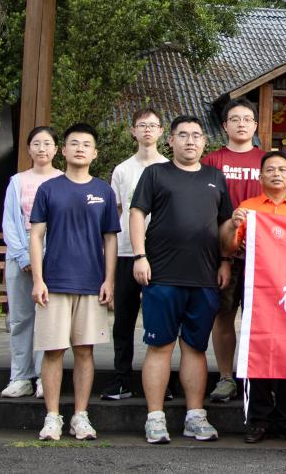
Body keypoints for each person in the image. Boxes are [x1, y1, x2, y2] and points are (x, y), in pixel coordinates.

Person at [130, 115, 233, 444]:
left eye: (196, 136)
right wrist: (139, 256)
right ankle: (155, 417)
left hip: (204, 277)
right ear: (170, 140)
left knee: (195, 348)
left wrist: (226, 260)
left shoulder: (215, 177)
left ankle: (195, 415)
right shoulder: (155, 174)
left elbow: (224, 224)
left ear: (205, 142)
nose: (190, 141)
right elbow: (137, 213)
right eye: (183, 135)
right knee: (160, 345)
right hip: (162, 275)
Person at [28, 123, 119, 442]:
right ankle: (52, 416)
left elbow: (110, 239)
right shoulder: (48, 189)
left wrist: (109, 279)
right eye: (74, 143)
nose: (80, 148)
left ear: (95, 153)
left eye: (86, 144)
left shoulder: (104, 191)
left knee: (84, 351)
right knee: (53, 351)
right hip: (53, 283)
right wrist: (38, 279)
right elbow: (36, 236)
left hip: (91, 283)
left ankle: (81, 415)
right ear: (63, 151)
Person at [221, 150, 286, 444]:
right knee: (257, 349)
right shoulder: (247, 208)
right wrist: (233, 225)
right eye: (270, 169)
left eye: (282, 169)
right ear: (260, 177)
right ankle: (258, 419)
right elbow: (229, 247)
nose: (276, 174)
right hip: (256, 287)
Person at [101, 108, 168, 401]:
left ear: (162, 131)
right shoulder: (122, 170)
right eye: (142, 125)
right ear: (133, 131)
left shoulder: (169, 167)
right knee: (123, 320)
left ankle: (163, 382)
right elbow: (116, 212)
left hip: (161, 253)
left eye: (153, 125)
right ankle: (122, 379)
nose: (147, 130)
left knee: (162, 320)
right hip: (127, 251)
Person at [202, 98, 265, 404]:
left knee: (260, 320)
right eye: (235, 119)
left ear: (255, 125)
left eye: (247, 119)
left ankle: (257, 377)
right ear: (225, 125)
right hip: (223, 253)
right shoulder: (212, 161)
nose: (241, 124)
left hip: (262, 255)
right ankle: (226, 377)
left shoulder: (267, 160)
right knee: (224, 316)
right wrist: (222, 257)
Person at [0, 126, 62, 400]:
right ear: (28, 149)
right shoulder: (17, 181)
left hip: (54, 250)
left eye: (47, 143)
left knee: (48, 318)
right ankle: (20, 376)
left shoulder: (63, 180)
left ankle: (43, 376)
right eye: (36, 143)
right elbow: (9, 221)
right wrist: (24, 255)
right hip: (20, 250)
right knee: (20, 318)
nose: (42, 148)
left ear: (56, 149)